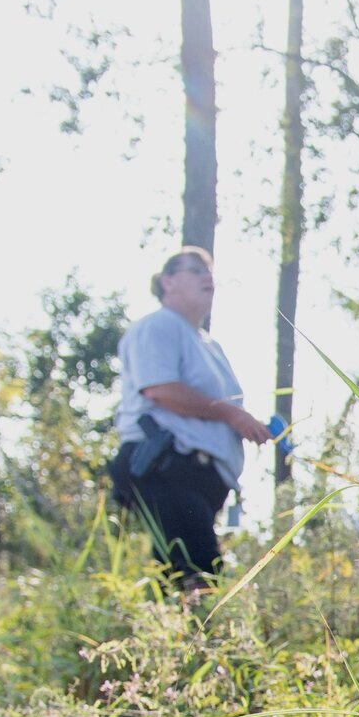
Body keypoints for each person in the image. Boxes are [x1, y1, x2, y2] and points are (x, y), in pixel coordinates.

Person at [108, 246, 271, 579]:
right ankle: (189, 612)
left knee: (181, 572)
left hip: (202, 478)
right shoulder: (157, 326)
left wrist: (246, 423)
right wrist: (232, 415)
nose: (207, 278)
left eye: (210, 272)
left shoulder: (210, 345)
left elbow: (222, 408)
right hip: (167, 466)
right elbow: (160, 390)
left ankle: (171, 611)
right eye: (196, 270)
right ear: (167, 282)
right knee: (197, 571)